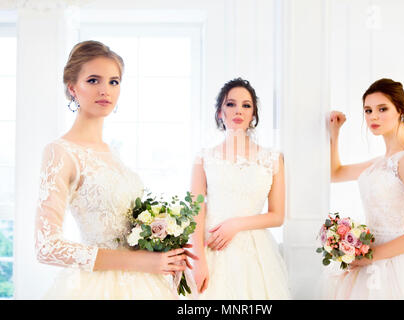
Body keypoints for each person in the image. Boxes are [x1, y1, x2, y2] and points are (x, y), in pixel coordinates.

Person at [35, 40, 196, 299]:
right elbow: (46, 247)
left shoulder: (113, 152)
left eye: (113, 81)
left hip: (145, 285)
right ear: (72, 88)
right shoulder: (61, 151)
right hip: (97, 288)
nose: (105, 90)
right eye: (93, 80)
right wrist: (142, 262)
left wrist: (163, 247)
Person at [324, 78, 404, 299]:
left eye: (382, 109)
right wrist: (335, 133)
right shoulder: (380, 162)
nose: (373, 116)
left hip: (401, 265)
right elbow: (335, 173)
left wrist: (372, 256)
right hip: (370, 260)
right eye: (368, 110)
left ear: (400, 110)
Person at [190, 78, 291, 299]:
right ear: (219, 112)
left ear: (253, 114)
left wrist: (236, 224)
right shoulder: (203, 158)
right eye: (230, 104)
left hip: (255, 252)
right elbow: (195, 211)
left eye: (246, 105)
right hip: (213, 247)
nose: (239, 110)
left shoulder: (272, 158)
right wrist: (198, 260)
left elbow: (277, 216)